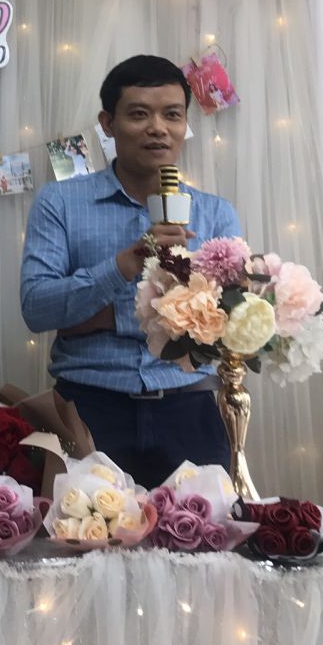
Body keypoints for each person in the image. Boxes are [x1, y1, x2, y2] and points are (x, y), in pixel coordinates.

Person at [19, 54, 242, 488]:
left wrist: (104, 317)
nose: (158, 128)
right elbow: (37, 309)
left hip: (191, 410)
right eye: (139, 114)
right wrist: (125, 265)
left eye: (172, 115)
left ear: (185, 123)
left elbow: (226, 322)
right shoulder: (59, 203)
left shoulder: (215, 214)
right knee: (82, 530)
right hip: (88, 409)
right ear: (108, 123)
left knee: (200, 533)